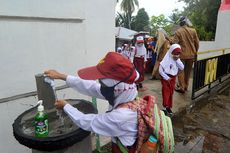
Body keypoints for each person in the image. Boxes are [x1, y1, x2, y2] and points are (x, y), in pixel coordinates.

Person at [44, 52, 140, 153]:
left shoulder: (122, 117)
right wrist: (61, 76)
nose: (100, 84)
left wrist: (66, 106)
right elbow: (92, 87)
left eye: (102, 82)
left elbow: (87, 122)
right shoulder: (126, 91)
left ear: (116, 87)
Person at [171, 16, 199, 93]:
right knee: (188, 72)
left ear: (180, 23)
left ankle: (181, 87)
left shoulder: (178, 32)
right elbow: (197, 43)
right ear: (186, 22)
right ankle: (186, 86)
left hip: (182, 55)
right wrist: (195, 52)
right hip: (191, 55)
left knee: (180, 71)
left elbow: (174, 43)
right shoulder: (193, 31)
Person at [159, 44, 184, 115]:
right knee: (166, 92)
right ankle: (165, 107)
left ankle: (168, 106)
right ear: (171, 53)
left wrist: (177, 60)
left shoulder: (177, 60)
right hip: (166, 78)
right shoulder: (166, 59)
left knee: (171, 92)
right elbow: (160, 70)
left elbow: (182, 67)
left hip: (173, 78)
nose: (177, 56)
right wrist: (167, 77)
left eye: (178, 54)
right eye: (175, 54)